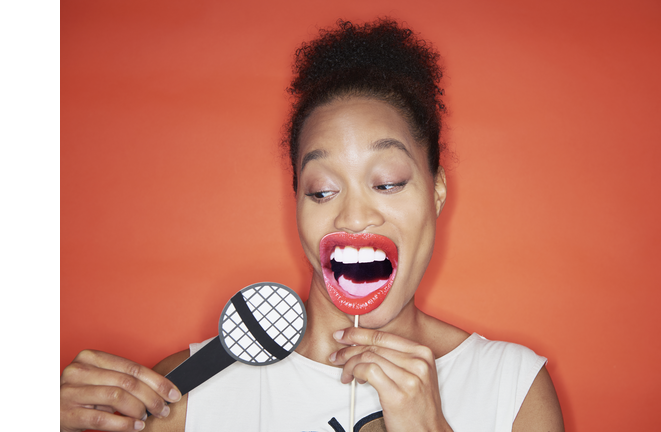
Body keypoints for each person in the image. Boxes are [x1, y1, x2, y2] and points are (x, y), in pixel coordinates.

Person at [60, 18, 564, 432]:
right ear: (297, 202)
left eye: (387, 182)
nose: (353, 216)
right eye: (322, 191)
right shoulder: (192, 390)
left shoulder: (510, 388)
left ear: (437, 190)